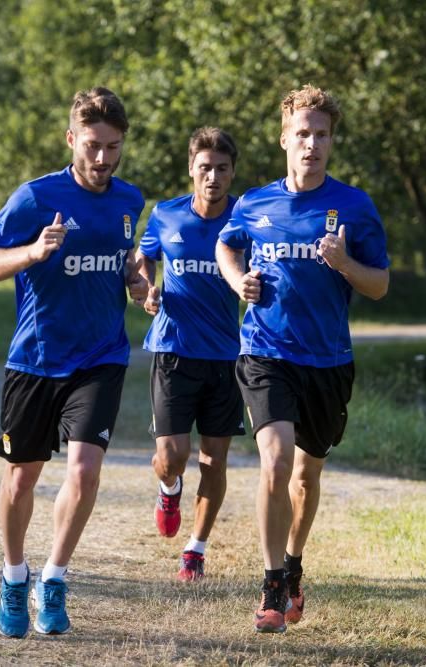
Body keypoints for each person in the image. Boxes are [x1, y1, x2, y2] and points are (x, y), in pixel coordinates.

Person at [0, 87, 148, 638]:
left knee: (85, 470)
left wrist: (139, 282)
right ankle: (13, 576)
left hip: (101, 357)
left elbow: (123, 264)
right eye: (93, 146)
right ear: (72, 139)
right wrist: (32, 253)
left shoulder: (128, 200)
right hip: (36, 358)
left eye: (113, 147)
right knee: (22, 479)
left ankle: (54, 579)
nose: (103, 159)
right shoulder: (34, 197)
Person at [216, 84, 389, 633]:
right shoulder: (254, 203)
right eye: (302, 134)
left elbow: (380, 285)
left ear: (331, 141)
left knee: (307, 476)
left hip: (328, 361)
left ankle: (292, 565)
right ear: (284, 138)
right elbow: (226, 243)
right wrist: (237, 277)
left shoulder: (355, 207)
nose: (311, 144)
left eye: (321, 135)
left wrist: (343, 264)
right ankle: (270, 585)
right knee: (276, 459)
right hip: (265, 350)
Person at [135, 127, 245, 582]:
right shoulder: (166, 215)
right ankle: (168, 487)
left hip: (226, 357)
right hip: (173, 350)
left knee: (215, 460)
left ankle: (195, 550)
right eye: (205, 168)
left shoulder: (246, 219)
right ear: (191, 170)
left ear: (232, 172)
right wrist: (146, 289)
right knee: (172, 454)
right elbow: (143, 259)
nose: (213, 177)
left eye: (222, 169)